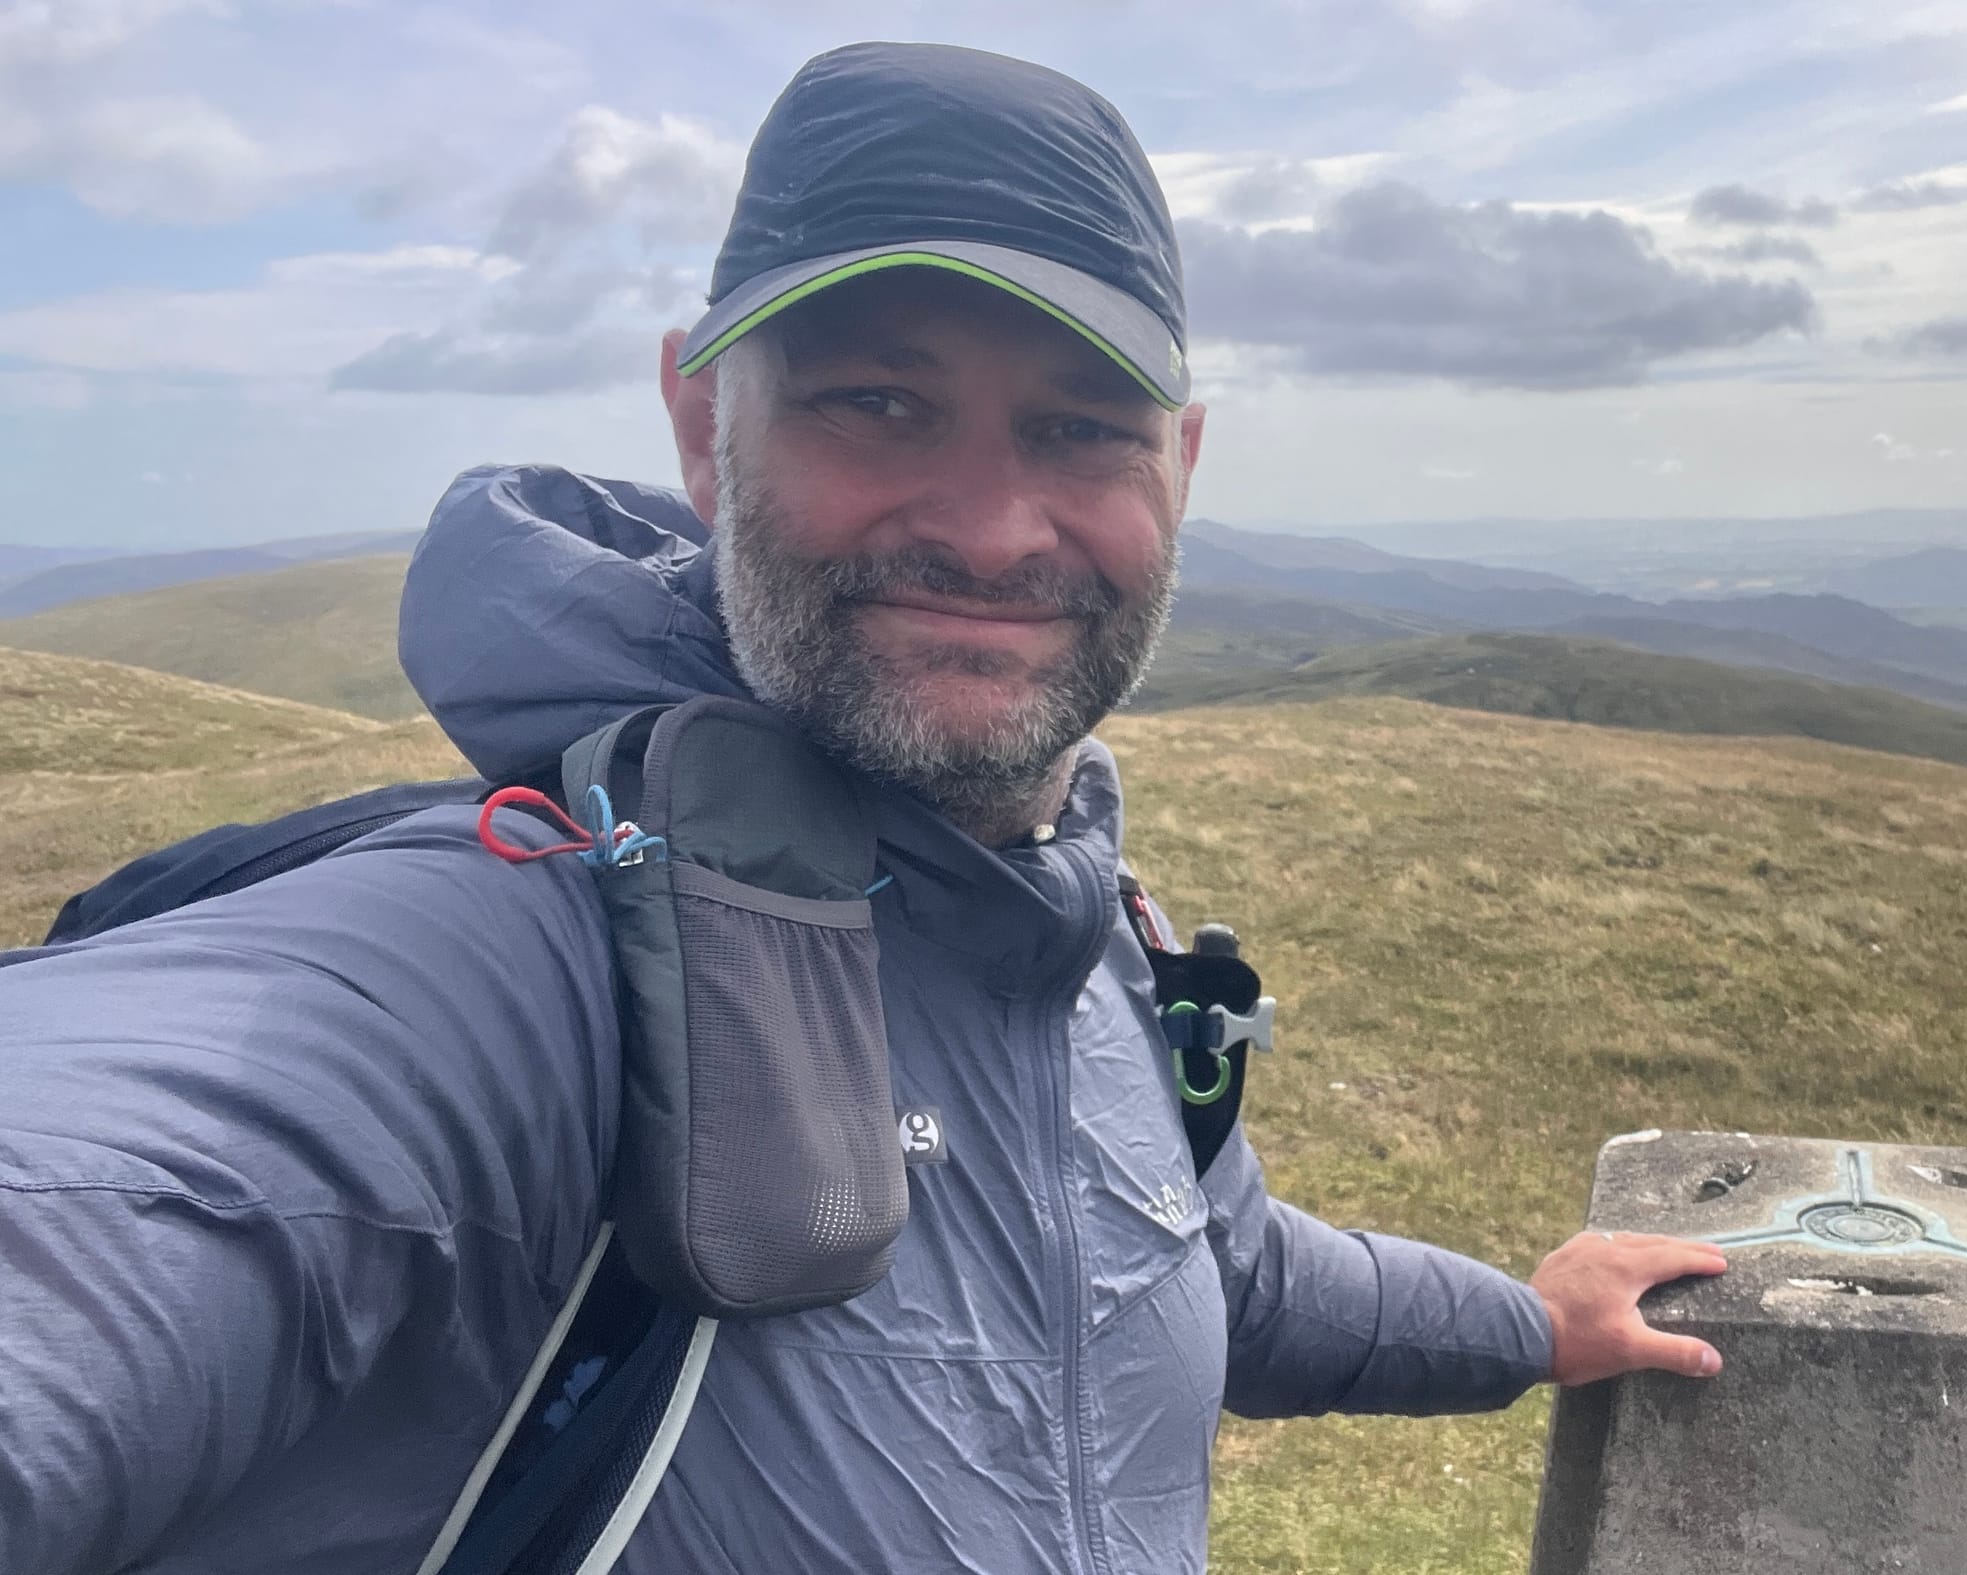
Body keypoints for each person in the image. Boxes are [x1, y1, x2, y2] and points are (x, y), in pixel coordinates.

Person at [0, 40, 1727, 1575]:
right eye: (877, 403)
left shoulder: (1088, 945)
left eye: (1082, 427)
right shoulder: (520, 951)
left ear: (1181, 468)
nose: (990, 526)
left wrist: (1530, 1324)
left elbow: (1220, 1267)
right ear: (704, 428)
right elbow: (127, 1188)